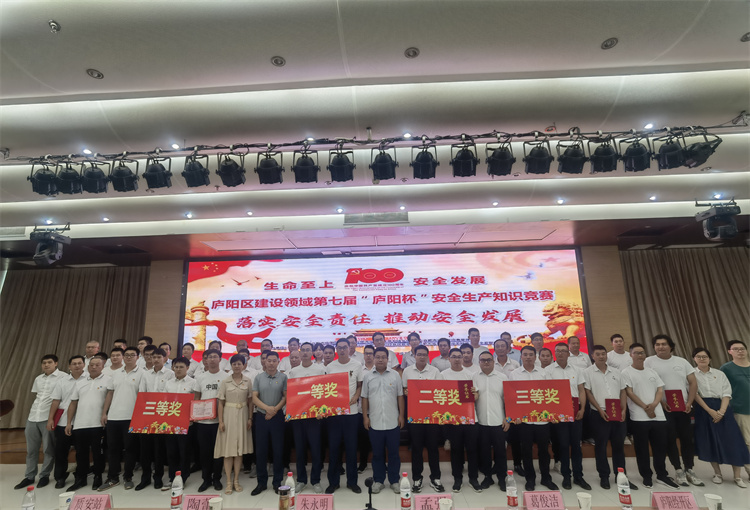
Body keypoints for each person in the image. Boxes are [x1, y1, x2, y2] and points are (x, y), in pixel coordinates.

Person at [644, 334, 703, 487]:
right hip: (664, 408)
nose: (660, 347)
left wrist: (689, 402)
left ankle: (689, 468)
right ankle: (678, 469)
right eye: (657, 344)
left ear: (671, 346)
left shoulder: (682, 362)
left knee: (687, 438)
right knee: (670, 439)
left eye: (664, 344)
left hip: (684, 407)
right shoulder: (649, 361)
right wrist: (661, 402)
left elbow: (692, 383)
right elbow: (647, 384)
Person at [692, 347, 749, 487]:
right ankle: (717, 473)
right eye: (698, 357)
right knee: (710, 441)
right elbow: (694, 394)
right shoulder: (691, 374)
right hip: (703, 409)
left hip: (722, 407)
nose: (702, 359)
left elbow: (726, 392)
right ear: (694, 359)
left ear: (710, 358)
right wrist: (709, 410)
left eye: (705, 356)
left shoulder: (719, 373)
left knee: (733, 441)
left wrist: (722, 411)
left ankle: (737, 477)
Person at [621, 343, 677, 489]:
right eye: (636, 353)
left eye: (642, 353)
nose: (640, 355)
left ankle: (662, 475)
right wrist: (645, 407)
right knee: (642, 449)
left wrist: (654, 404)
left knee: (660, 447)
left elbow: (660, 390)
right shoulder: (626, 372)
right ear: (630, 355)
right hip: (639, 417)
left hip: (658, 416)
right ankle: (646, 476)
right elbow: (629, 392)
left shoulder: (652, 372)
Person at [510, 346, 557, 491]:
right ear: (521, 357)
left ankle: (546, 478)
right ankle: (530, 479)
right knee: (526, 451)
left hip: (542, 420)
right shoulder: (514, 374)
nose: (528, 357)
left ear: (535, 357)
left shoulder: (544, 373)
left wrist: (552, 414)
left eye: (531, 354)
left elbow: (550, 393)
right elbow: (511, 397)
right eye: (525, 354)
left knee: (544, 450)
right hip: (524, 421)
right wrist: (515, 416)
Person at [98, 346, 145, 491]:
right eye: (127, 355)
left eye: (132, 355)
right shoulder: (116, 373)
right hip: (114, 416)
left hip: (131, 417)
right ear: (123, 357)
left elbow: (142, 396)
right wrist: (104, 413)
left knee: (130, 448)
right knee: (113, 448)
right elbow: (110, 393)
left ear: (138, 357)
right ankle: (113, 477)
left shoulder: (143, 373)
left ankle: (128, 476)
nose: (129, 357)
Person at [545, 343, 590, 490]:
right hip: (559, 413)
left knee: (576, 446)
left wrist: (582, 409)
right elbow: (546, 393)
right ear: (554, 353)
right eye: (558, 351)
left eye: (563, 351)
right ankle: (566, 476)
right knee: (563, 445)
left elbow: (581, 390)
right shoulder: (548, 371)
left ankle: (579, 476)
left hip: (576, 411)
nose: (560, 353)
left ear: (568, 353)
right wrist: (551, 413)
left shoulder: (577, 370)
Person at [14, 354, 62, 490]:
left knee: (48, 449)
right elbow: (38, 396)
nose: (46, 365)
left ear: (56, 363)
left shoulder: (63, 377)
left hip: (48, 417)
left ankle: (44, 475)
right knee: (31, 450)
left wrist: (52, 418)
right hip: (33, 416)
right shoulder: (38, 378)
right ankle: (29, 476)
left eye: (49, 362)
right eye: (44, 363)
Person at [362, 346, 405, 494]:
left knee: (394, 454)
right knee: (377, 454)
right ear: (374, 358)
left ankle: (394, 481)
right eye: (378, 357)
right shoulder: (368, 376)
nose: (380, 359)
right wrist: (365, 417)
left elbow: (400, 396)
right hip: (375, 422)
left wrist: (401, 415)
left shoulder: (395, 375)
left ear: (388, 359)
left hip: (393, 421)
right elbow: (365, 398)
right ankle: (379, 480)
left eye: (383, 357)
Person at [584, 345, 627, 490]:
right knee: (600, 446)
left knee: (618, 446)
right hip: (599, 413)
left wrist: (623, 410)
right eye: (598, 354)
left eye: (603, 354)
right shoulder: (587, 372)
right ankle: (604, 476)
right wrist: (599, 409)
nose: (601, 356)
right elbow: (588, 393)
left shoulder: (616, 372)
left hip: (617, 413)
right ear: (592, 356)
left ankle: (621, 476)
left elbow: (623, 391)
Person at [402, 344, 444, 493]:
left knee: (433, 448)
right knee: (416, 448)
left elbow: (440, 391)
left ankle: (435, 478)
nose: (421, 357)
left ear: (427, 356)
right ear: (414, 355)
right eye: (418, 354)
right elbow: (404, 390)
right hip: (415, 417)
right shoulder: (407, 371)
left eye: (424, 354)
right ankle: (417, 478)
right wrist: (406, 392)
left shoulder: (435, 371)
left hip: (432, 416)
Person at [65, 357, 111, 491]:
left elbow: (110, 399)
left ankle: (98, 477)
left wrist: (105, 414)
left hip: (98, 424)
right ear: (88, 366)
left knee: (98, 453)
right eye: (92, 365)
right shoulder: (80, 382)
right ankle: (81, 479)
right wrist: (69, 422)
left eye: (97, 365)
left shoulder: (108, 380)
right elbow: (73, 403)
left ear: (102, 367)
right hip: (80, 424)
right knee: (80, 453)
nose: (94, 367)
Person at [325, 338, 364, 494]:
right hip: (334, 414)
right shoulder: (330, 367)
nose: (342, 350)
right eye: (339, 347)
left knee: (351, 449)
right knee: (334, 449)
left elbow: (360, 385)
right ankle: (333, 482)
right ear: (336, 349)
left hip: (351, 413)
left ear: (349, 348)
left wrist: (356, 396)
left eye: (344, 347)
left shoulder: (357, 365)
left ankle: (352, 482)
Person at [288, 342, 327, 494]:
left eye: (308, 350)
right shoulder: (294, 371)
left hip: (315, 417)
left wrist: (322, 411)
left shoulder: (320, 369)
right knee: (300, 450)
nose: (305, 352)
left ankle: (315, 481)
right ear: (300, 352)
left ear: (312, 352)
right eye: (303, 350)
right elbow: (291, 394)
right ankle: (301, 480)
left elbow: (323, 392)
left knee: (316, 449)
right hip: (298, 417)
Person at [442, 347, 481, 493]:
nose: (457, 359)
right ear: (449, 359)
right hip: (453, 420)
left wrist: (474, 395)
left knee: (472, 449)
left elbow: (476, 395)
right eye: (454, 356)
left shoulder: (470, 375)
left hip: (470, 418)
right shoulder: (443, 375)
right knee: (456, 450)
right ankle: (457, 479)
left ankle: (473, 479)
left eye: (459, 356)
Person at [136, 347, 175, 490]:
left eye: (159, 357)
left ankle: (158, 477)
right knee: (144, 449)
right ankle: (145, 478)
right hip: (147, 414)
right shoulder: (145, 374)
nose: (156, 359)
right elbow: (142, 393)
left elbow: (170, 395)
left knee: (159, 449)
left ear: (165, 359)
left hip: (162, 415)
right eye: (154, 357)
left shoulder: (170, 374)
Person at [215, 354, 253, 495]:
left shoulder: (248, 381)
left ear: (244, 365)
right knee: (228, 450)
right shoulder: (225, 381)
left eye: (239, 364)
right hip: (228, 415)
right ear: (231, 366)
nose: (237, 366)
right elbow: (221, 403)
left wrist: (250, 418)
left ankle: (236, 480)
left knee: (238, 450)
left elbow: (250, 401)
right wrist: (221, 421)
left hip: (243, 415)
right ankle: (228, 482)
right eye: (234, 364)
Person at [251, 351, 287, 495]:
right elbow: (254, 397)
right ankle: (261, 483)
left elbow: (285, 397)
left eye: (274, 361)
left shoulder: (283, 377)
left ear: (278, 362)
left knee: (278, 450)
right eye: (268, 360)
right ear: (264, 362)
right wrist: (267, 409)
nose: (271, 363)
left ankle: (277, 482)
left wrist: (274, 410)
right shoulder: (259, 377)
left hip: (277, 417)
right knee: (261, 451)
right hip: (261, 417)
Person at [473, 350, 509, 491]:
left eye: (489, 360)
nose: (486, 362)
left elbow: (508, 400)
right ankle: (488, 477)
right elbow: (471, 399)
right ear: (479, 362)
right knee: (484, 453)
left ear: (493, 362)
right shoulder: (474, 377)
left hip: (499, 421)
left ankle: (502, 478)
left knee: (501, 452)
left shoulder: (502, 377)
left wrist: (507, 418)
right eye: (483, 360)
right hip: (481, 422)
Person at [47, 355, 85, 488]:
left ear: (84, 365)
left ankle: (80, 476)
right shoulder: (62, 381)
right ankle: (60, 477)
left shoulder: (89, 379)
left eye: (79, 363)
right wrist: (50, 418)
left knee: (82, 451)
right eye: (74, 363)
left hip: (83, 421)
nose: (77, 366)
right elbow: (56, 401)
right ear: (69, 366)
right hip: (63, 421)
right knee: (61, 451)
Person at [163, 357, 198, 488]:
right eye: (176, 367)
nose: (178, 369)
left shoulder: (193, 383)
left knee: (184, 452)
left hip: (186, 423)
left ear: (187, 368)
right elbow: (164, 401)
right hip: (170, 423)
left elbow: (196, 402)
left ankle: (183, 478)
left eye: (181, 367)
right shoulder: (168, 383)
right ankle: (172, 477)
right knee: (171, 452)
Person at [195, 349, 226, 492]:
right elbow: (197, 397)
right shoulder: (200, 377)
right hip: (203, 422)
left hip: (219, 421)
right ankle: (206, 479)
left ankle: (217, 478)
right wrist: (195, 415)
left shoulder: (226, 377)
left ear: (220, 359)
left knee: (218, 452)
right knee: (204, 452)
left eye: (215, 357)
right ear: (205, 360)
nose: (212, 359)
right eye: (209, 357)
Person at [721, 339, 750, 480]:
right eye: (736, 349)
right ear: (729, 352)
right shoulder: (726, 369)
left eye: (742, 348)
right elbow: (723, 390)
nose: (740, 351)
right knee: (747, 442)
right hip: (740, 410)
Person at [494, 337, 523, 476]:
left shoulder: (515, 364)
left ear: (507, 348)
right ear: (494, 349)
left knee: (516, 436)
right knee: (498, 438)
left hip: (513, 404)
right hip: (496, 404)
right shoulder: (491, 363)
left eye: (502, 346)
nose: (500, 348)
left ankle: (518, 464)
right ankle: (497, 465)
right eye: (497, 346)